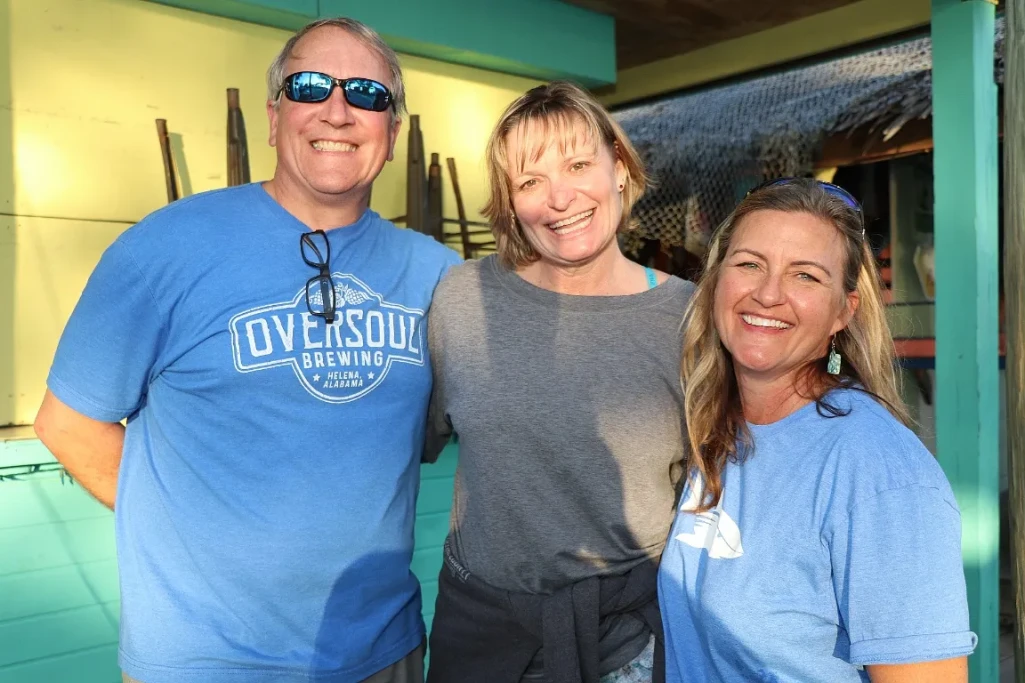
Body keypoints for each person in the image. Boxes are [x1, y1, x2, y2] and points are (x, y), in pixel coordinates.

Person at [33, 17, 460, 683]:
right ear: (273, 115)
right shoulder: (167, 246)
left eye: (368, 95)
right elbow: (67, 423)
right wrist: (196, 531)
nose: (339, 111)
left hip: (382, 653)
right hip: (205, 659)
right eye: (310, 86)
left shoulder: (436, 275)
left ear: (393, 131)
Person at [423, 81, 694, 683]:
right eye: (529, 181)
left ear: (619, 168)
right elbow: (408, 438)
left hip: (627, 641)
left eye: (577, 164)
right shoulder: (464, 299)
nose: (559, 197)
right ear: (510, 202)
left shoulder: (688, 317)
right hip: (482, 638)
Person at [660, 177, 976, 682]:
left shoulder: (879, 474)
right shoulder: (720, 424)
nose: (767, 294)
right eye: (749, 264)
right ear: (717, 279)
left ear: (843, 311)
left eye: (804, 276)